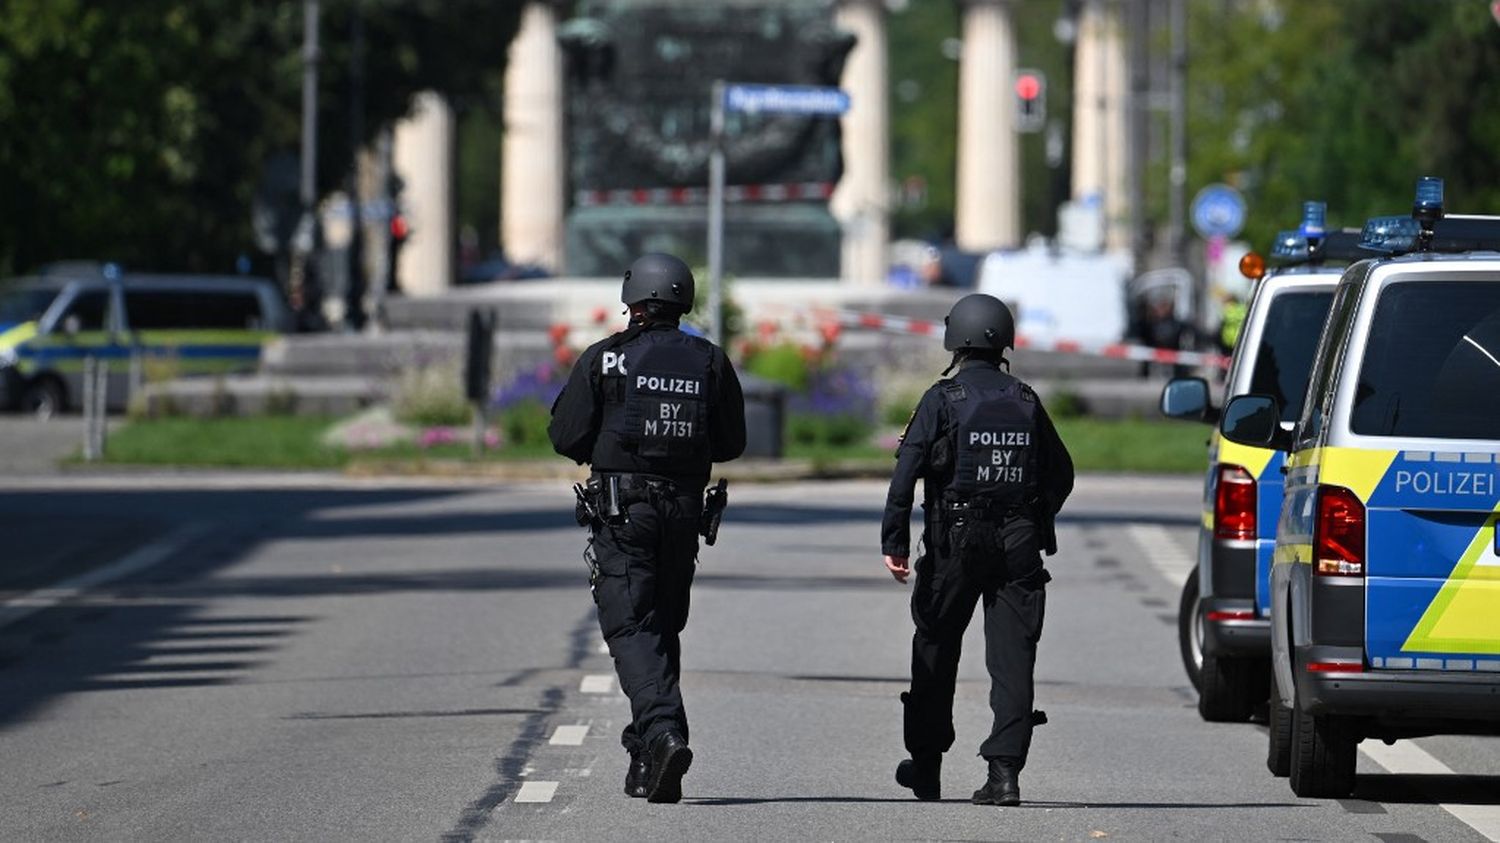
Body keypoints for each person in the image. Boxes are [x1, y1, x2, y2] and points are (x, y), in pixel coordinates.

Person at [548, 252, 746, 803]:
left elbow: (565, 436)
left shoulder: (605, 359)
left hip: (622, 509)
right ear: (684, 299)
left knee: (632, 625)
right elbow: (731, 443)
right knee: (660, 624)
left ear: (631, 299)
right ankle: (647, 759)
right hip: (684, 511)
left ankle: (661, 732)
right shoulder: (709, 360)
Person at [882, 292, 1074, 806]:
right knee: (1012, 660)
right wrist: (1036, 519)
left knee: (936, 649)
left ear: (955, 339)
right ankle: (1004, 774)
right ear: (1004, 340)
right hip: (1018, 544)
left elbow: (906, 473)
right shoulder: (1027, 400)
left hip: (954, 543)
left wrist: (894, 541)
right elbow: (1062, 473)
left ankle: (925, 767)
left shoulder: (942, 399)